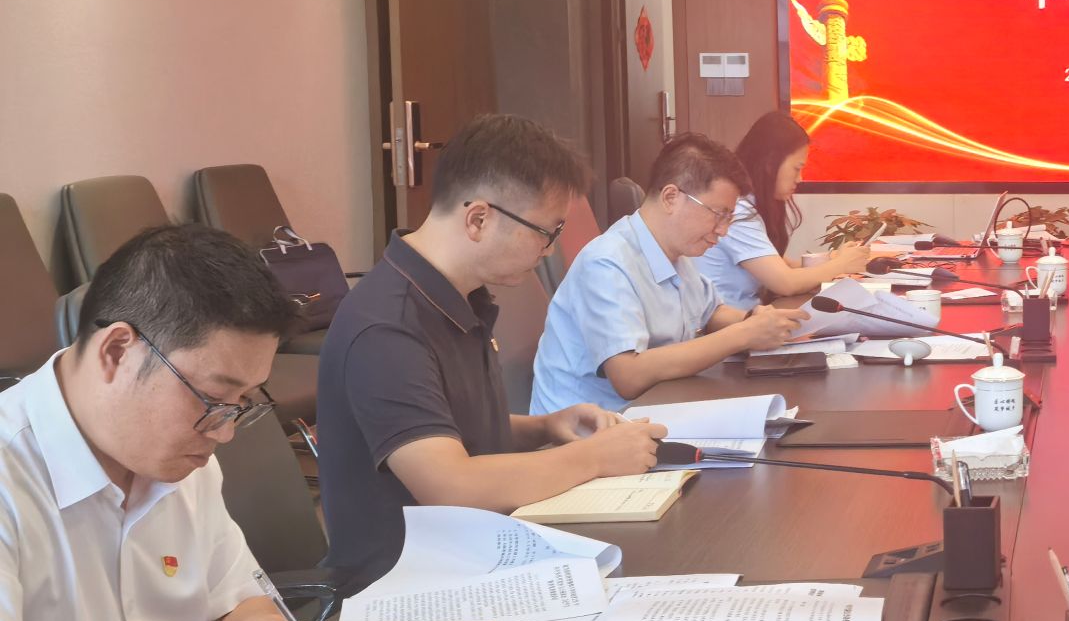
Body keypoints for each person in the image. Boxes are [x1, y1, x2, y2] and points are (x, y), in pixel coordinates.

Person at [0, 226, 352, 621]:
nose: (225, 433)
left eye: (243, 403)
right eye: (213, 398)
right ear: (117, 351)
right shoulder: (10, 472)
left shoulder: (181, 462)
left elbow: (234, 599)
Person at [318, 114, 664, 593]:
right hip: (409, 585)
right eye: (545, 231)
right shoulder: (386, 326)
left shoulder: (455, 294)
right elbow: (450, 484)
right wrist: (595, 457)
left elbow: (446, 429)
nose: (549, 250)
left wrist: (546, 426)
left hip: (478, 548)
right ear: (478, 219)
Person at [530, 132, 805, 416]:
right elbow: (628, 375)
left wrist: (760, 323)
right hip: (592, 429)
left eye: (729, 218)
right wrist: (743, 334)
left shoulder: (677, 253)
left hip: (653, 409)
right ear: (671, 197)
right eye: (718, 214)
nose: (723, 230)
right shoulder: (607, 262)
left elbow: (711, 312)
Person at [697, 111, 872, 309]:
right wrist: (840, 265)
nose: (800, 179)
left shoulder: (751, 205)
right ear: (770, 163)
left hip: (750, 315)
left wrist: (834, 260)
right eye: (797, 168)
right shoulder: (738, 212)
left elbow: (781, 264)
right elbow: (785, 282)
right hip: (731, 321)